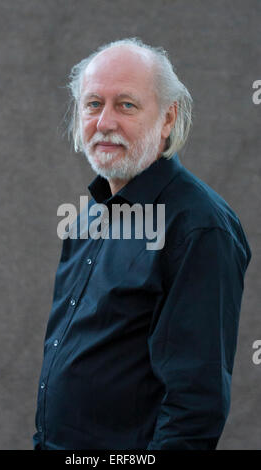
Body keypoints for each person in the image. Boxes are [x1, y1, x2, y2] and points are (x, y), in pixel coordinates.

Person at [33, 38, 251, 450]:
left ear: (167, 119)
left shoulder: (200, 228)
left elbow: (195, 404)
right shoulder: (88, 218)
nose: (105, 122)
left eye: (126, 105)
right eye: (93, 104)